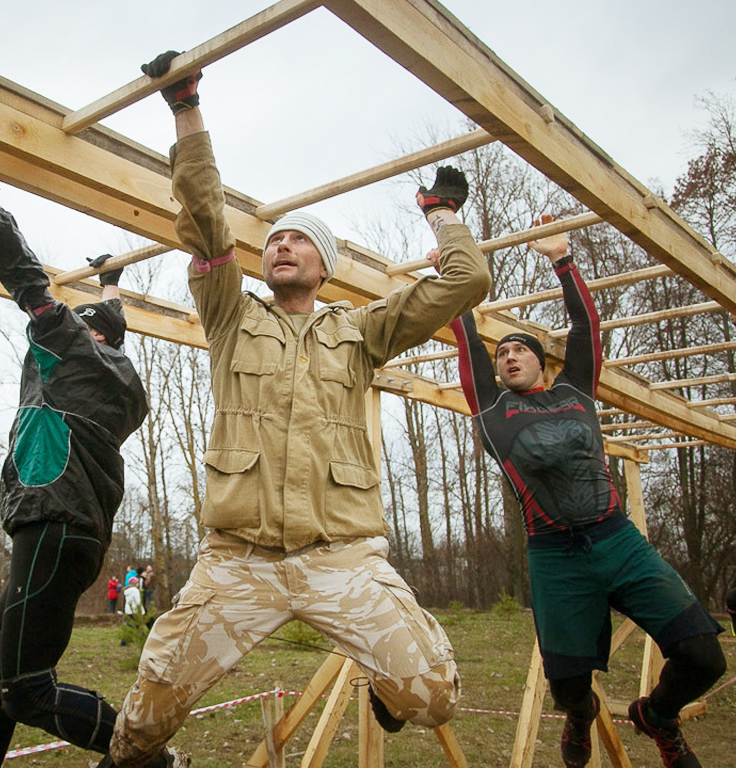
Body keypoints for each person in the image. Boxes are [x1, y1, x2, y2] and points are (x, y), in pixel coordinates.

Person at [105, 51, 491, 768]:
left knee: (433, 692)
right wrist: (186, 109)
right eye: (275, 238)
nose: (281, 244)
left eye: (299, 239)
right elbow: (203, 219)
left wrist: (443, 219)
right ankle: (132, 760)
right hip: (238, 562)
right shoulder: (230, 317)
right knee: (150, 709)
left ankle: (388, 689)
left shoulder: (364, 330)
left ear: (325, 266)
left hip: (340, 559)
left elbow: (468, 280)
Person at [446, 217, 725, 768]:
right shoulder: (493, 411)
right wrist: (457, 276)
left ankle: (658, 716)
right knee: (569, 687)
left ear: (540, 361)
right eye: (501, 353)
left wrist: (563, 259)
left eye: (519, 349)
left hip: (618, 539)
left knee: (703, 657)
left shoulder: (576, 391)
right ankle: (579, 717)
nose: (507, 356)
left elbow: (586, 329)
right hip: (554, 556)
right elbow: (465, 335)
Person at [0, 166, 151, 768]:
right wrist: (112, 285)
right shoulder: (124, 381)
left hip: (50, 516)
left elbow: (24, 276)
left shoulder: (68, 343)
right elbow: (114, 334)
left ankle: (146, 758)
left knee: (27, 688)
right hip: (75, 532)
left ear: (87, 332)